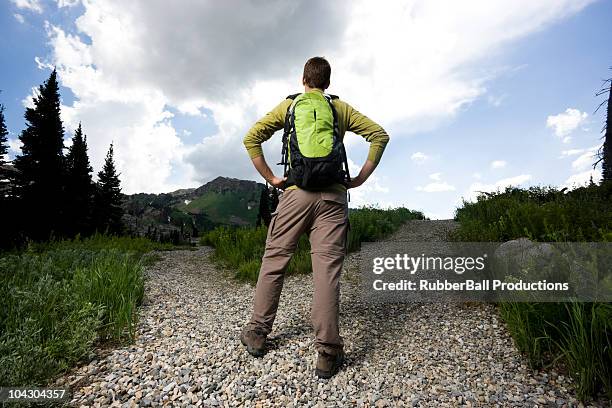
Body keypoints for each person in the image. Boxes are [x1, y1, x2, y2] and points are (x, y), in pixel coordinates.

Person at [240, 56, 389, 378]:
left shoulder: (289, 107)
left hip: (295, 194)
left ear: (303, 79)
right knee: (327, 272)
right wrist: (361, 177)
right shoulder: (340, 108)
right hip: (334, 198)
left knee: (275, 260)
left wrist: (272, 178)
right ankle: (328, 351)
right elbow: (380, 136)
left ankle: (257, 332)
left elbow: (251, 138)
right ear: (328, 82)